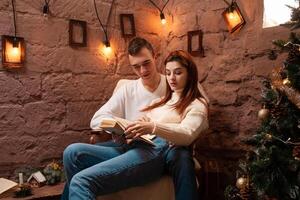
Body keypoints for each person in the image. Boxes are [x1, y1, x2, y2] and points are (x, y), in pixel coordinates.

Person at [62, 38, 209, 200]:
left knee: (80, 181)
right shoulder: (165, 100)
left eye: (178, 72)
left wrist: (152, 127)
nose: (172, 78)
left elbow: (187, 133)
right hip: (135, 143)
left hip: (155, 149)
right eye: (168, 73)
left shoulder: (196, 103)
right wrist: (127, 130)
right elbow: (144, 121)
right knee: (72, 153)